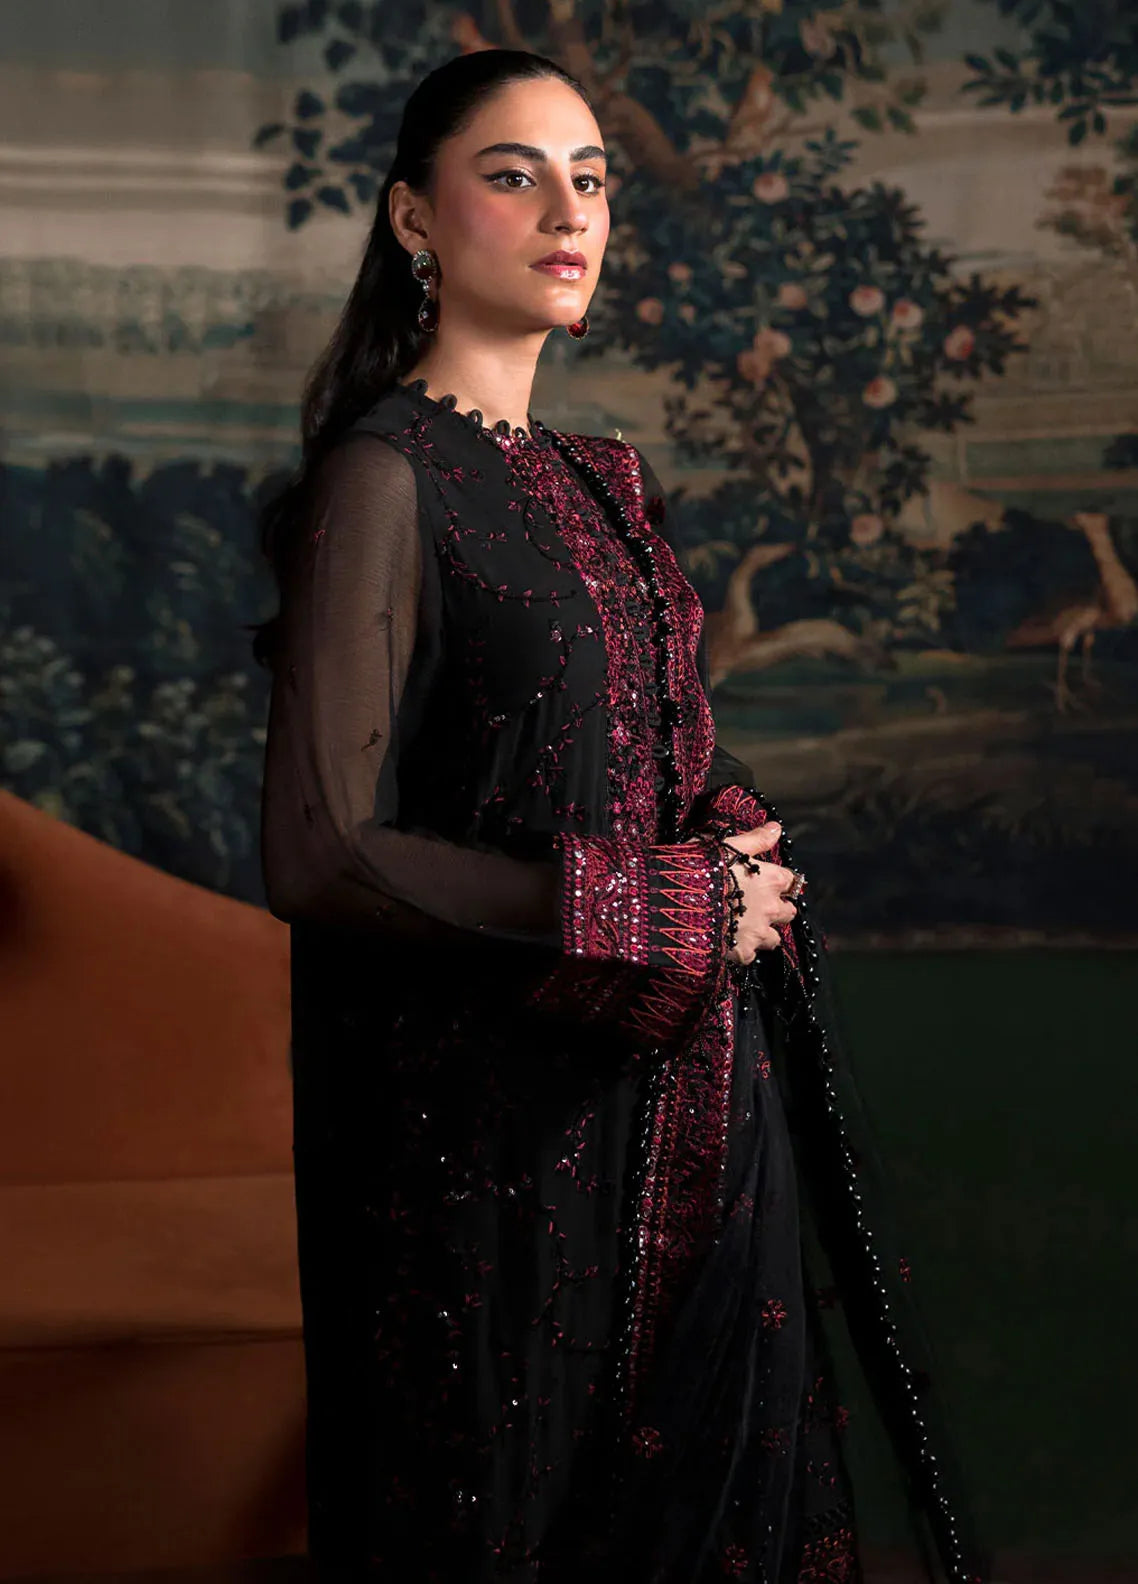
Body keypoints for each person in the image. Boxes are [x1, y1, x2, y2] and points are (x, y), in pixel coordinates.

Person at [255, 47, 988, 1584]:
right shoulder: (386, 477)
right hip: (491, 1143)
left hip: (679, 1102)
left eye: (588, 178)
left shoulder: (594, 480)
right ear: (412, 214)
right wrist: (667, 907)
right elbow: (325, 850)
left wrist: (731, 852)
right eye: (511, 175)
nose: (567, 210)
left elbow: (639, 755)